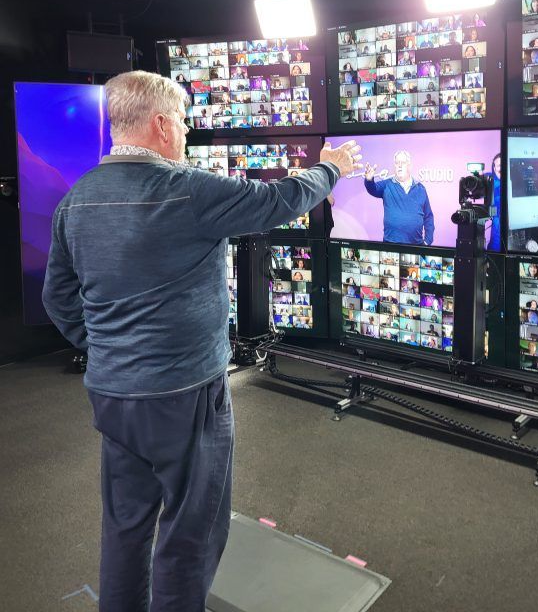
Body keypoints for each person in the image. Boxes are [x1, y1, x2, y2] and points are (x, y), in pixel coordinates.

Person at [41, 71, 362, 612]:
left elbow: (58, 298)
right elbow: (276, 201)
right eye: (184, 121)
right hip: (186, 394)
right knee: (192, 531)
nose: (187, 132)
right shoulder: (185, 189)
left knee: (125, 527)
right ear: (161, 125)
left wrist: (105, 350)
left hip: (113, 394)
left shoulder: (76, 200)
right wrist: (333, 169)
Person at [364, 150, 434, 245]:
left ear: (409, 166)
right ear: (394, 166)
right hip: (390, 245)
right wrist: (369, 179)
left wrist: (427, 241)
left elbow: (428, 216)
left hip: (416, 245)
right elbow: (372, 189)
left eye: (403, 162)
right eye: (397, 163)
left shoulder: (421, 189)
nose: (400, 165)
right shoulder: (387, 184)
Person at [485, 153, 502, 251]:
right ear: (494, 168)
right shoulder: (489, 180)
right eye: (499, 166)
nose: (501, 168)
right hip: (495, 242)